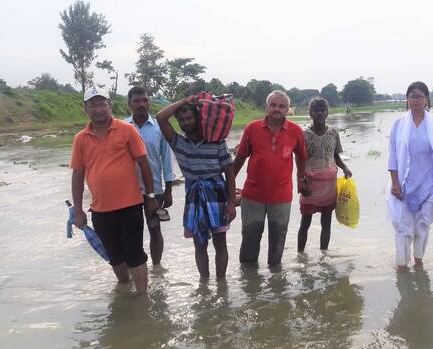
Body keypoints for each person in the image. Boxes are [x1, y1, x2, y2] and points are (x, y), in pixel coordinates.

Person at [70, 87, 157, 294]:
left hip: (130, 205)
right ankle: (125, 288)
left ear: (110, 105)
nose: (98, 109)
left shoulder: (127, 130)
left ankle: (142, 299)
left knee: (135, 253)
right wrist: (78, 210)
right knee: (114, 255)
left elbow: (145, 165)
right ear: (86, 109)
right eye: (93, 105)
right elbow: (78, 175)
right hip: (100, 209)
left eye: (102, 104)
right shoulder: (80, 139)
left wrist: (151, 197)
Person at [156, 95, 236, 279]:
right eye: (181, 120)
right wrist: (184, 101)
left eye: (189, 118)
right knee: (199, 244)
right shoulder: (178, 142)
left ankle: (221, 283)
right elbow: (160, 117)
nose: (185, 123)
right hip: (193, 197)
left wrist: (231, 203)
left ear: (198, 118)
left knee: (220, 242)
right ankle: (204, 283)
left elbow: (229, 174)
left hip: (217, 196)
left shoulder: (217, 142)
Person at [387, 81, 433, 273]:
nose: (416, 100)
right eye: (412, 96)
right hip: (403, 184)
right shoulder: (398, 125)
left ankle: (418, 262)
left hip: (428, 185)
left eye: (419, 96)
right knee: (403, 229)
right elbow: (392, 157)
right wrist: (395, 184)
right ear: (407, 99)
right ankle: (401, 265)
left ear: (426, 99)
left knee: (422, 226)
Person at [233, 90, 307, 266]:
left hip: (281, 197)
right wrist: (228, 185)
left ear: (288, 109)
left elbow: (302, 158)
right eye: (273, 105)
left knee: (278, 241)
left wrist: (300, 181)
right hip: (252, 196)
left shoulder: (295, 131)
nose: (277, 109)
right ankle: (250, 285)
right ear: (266, 107)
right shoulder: (252, 128)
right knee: (250, 239)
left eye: (282, 106)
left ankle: (276, 284)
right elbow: (241, 158)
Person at [126, 86, 176, 267]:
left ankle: (156, 268)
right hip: (127, 191)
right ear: (129, 104)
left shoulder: (159, 129)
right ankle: (136, 267)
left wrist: (169, 190)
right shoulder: (122, 127)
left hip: (154, 189)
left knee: (155, 229)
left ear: (150, 102)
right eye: (137, 101)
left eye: (145, 100)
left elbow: (167, 161)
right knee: (131, 233)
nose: (141, 104)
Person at [297, 97, 352, 252]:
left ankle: (323, 256)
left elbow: (335, 156)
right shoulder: (304, 135)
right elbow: (299, 160)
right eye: (316, 110)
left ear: (327, 112)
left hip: (329, 185)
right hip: (310, 185)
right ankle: (301, 255)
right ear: (310, 113)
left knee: (326, 223)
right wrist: (301, 181)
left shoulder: (333, 133)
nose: (319, 113)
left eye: (322, 110)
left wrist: (345, 168)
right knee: (305, 223)